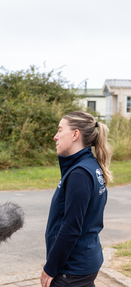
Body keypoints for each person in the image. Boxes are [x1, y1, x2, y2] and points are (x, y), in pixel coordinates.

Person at [41, 111, 113, 287]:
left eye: (60, 130)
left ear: (75, 134)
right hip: (84, 263)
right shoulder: (90, 166)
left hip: (71, 269)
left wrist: (51, 267)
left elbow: (71, 227)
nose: (55, 137)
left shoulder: (79, 173)